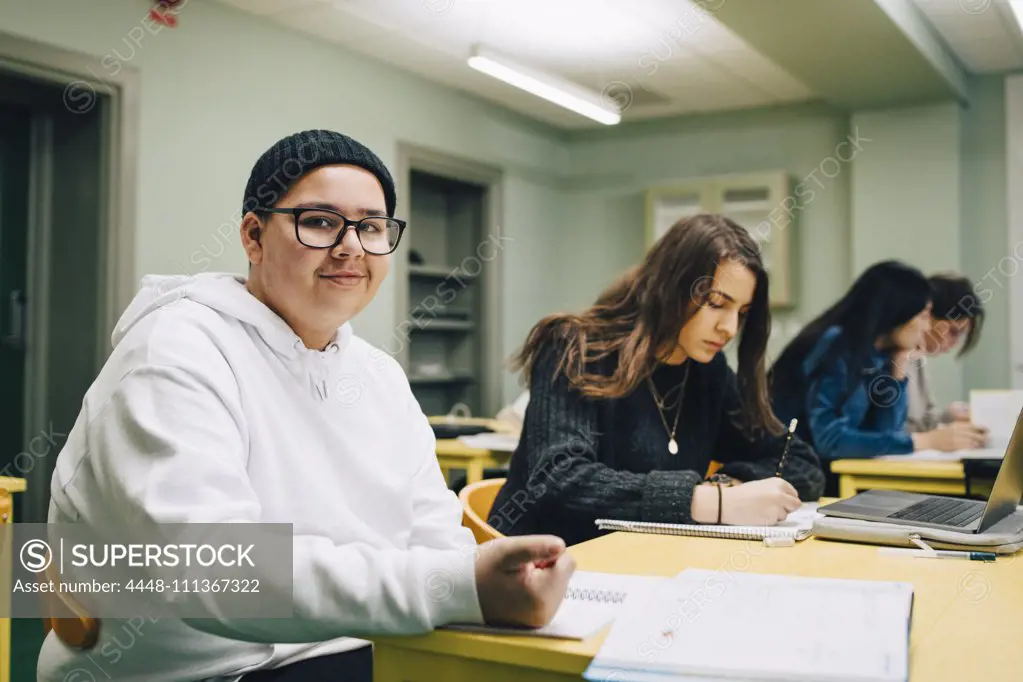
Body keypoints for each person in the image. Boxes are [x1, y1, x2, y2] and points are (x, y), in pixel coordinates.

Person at [37, 130, 574, 682]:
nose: (351, 246)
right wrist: (457, 586)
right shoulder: (175, 350)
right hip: (206, 671)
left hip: (364, 648)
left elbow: (433, 533)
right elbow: (217, 569)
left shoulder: (378, 374)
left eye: (370, 226)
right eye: (319, 221)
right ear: (253, 235)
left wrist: (478, 582)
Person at [486, 214, 826, 547]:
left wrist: (729, 485)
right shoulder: (574, 347)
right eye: (716, 304)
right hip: (546, 566)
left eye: (742, 312)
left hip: (645, 562)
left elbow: (801, 463)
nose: (730, 328)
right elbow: (559, 478)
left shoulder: (708, 372)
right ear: (671, 289)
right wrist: (710, 502)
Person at [769, 261, 986, 495]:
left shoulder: (881, 354)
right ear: (898, 313)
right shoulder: (835, 344)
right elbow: (830, 440)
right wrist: (925, 441)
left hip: (825, 472)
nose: (927, 327)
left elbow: (886, 430)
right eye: (923, 315)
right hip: (787, 475)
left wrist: (899, 368)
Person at [905, 272, 987, 436]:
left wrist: (948, 416)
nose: (955, 343)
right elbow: (888, 432)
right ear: (926, 315)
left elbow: (924, 422)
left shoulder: (918, 358)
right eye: (953, 332)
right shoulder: (891, 358)